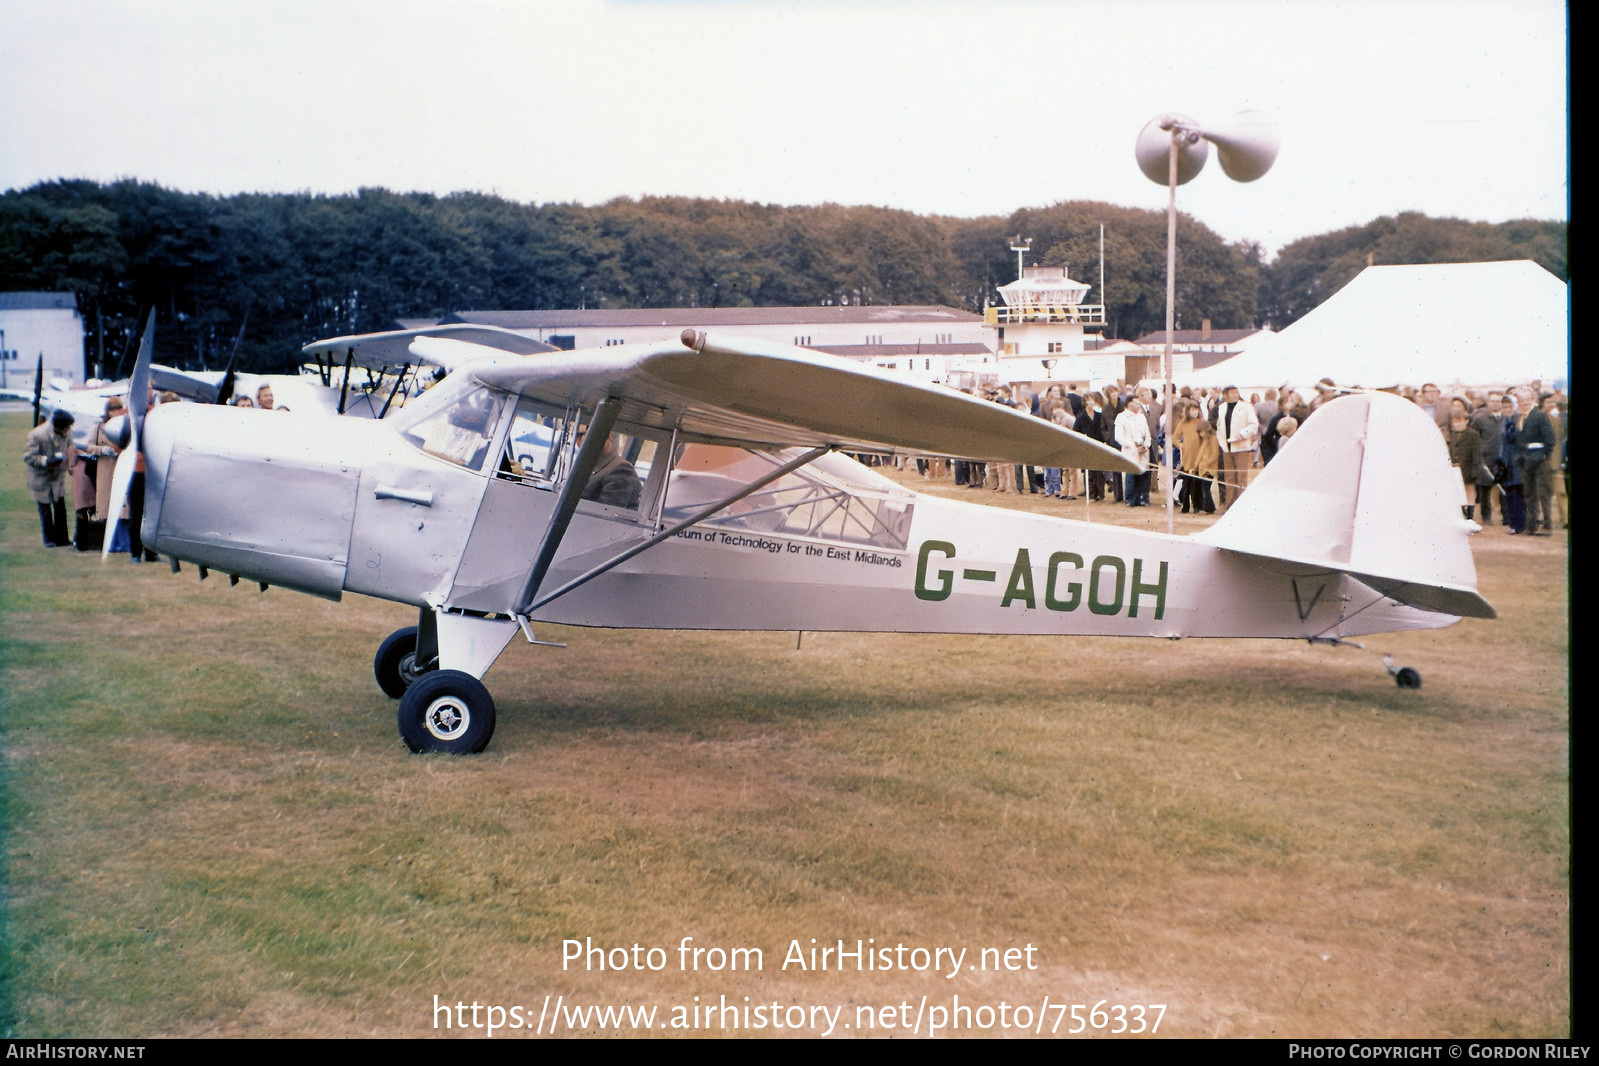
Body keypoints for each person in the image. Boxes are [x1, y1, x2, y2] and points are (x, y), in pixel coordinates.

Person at [24, 409, 75, 547]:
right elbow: (28, 456)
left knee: (60, 508)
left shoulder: (66, 432)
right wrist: (46, 461)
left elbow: (70, 446)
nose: (68, 430)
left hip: (57, 478)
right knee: (45, 510)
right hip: (41, 478)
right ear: (58, 426)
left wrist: (70, 464)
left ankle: (62, 539)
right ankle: (49, 540)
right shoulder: (37, 435)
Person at [1214, 385, 1258, 511]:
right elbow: (1220, 426)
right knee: (1229, 478)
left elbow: (1254, 425)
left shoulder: (1246, 407)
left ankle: (1241, 506)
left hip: (1241, 446)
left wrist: (1242, 434)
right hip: (1227, 447)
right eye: (1232, 393)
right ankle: (1229, 505)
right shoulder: (1221, 408)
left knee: (1241, 478)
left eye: (1237, 392)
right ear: (1225, 395)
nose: (1235, 395)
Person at [578, 427, 642, 509]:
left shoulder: (621, 469)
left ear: (608, 437)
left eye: (581, 435)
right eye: (577, 435)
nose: (579, 440)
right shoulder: (586, 466)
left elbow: (606, 512)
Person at [1114, 397, 1152, 506]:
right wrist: (1133, 446)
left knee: (1142, 474)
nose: (1139, 405)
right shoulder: (1121, 417)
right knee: (1130, 475)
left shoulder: (1141, 417)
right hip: (1130, 451)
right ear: (1129, 404)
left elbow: (1147, 434)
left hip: (1143, 451)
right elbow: (1119, 437)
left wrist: (1145, 445)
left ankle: (1138, 498)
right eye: (1136, 403)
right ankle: (1129, 499)